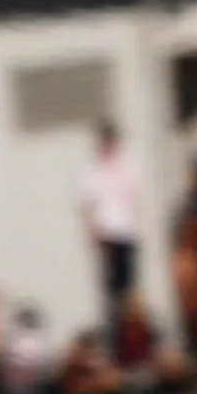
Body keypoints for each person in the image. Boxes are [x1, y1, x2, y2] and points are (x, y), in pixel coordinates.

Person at [81, 123, 144, 325]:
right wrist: (92, 231)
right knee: (111, 290)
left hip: (126, 233)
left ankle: (132, 328)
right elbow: (88, 204)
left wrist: (136, 227)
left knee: (129, 288)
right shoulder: (95, 171)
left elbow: (134, 199)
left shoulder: (127, 167)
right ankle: (116, 332)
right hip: (107, 235)